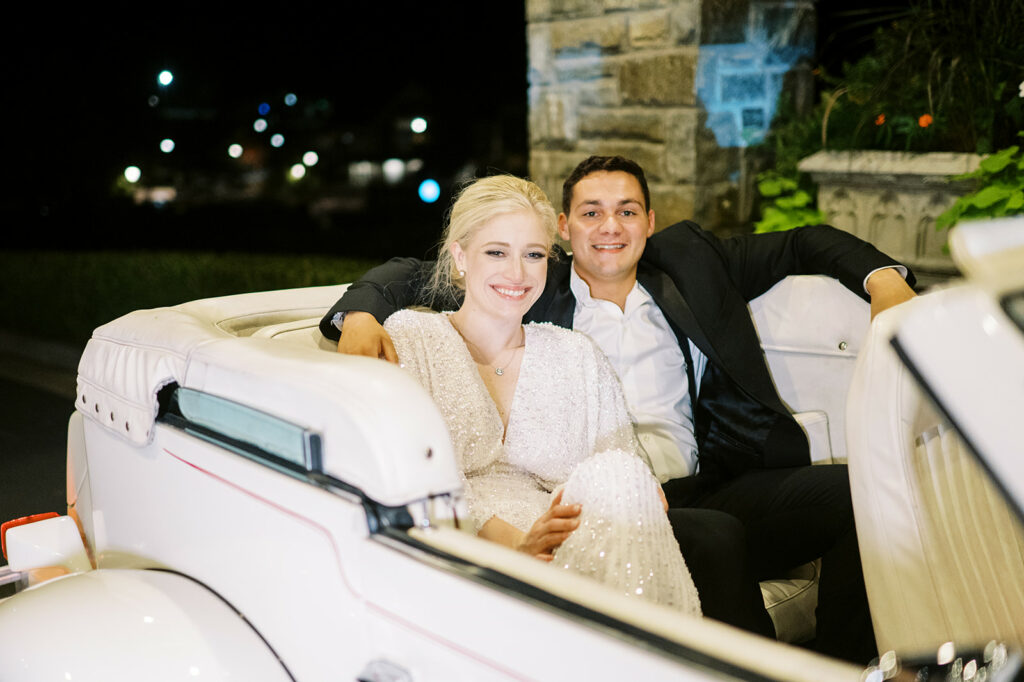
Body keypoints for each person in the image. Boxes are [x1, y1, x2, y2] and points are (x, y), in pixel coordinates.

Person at [320, 156, 917, 664]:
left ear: (649, 222)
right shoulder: (527, 286)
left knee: (857, 494)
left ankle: (848, 667)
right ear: (565, 228)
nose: (610, 226)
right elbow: (410, 276)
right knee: (713, 539)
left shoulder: (690, 264)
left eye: (627, 210)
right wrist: (362, 315)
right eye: (591, 212)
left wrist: (883, 280)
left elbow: (802, 241)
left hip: (706, 483)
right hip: (589, 498)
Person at [383, 174, 701, 614]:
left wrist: (633, 495)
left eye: (533, 255)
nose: (517, 274)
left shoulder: (575, 353)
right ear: (460, 256)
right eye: (496, 252)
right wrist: (519, 546)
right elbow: (413, 481)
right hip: (468, 556)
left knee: (623, 477)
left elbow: (625, 466)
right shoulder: (412, 339)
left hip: (582, 544)